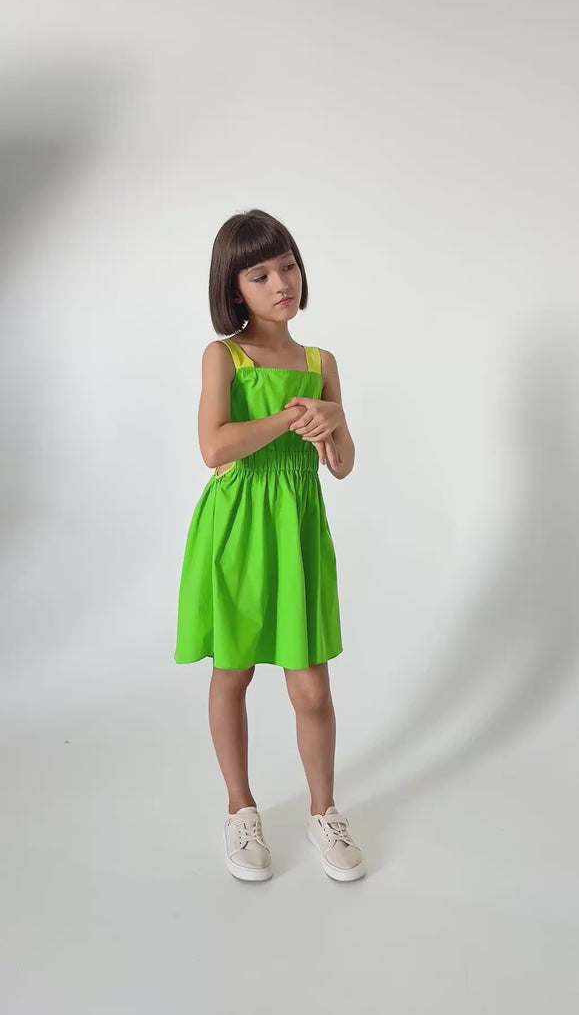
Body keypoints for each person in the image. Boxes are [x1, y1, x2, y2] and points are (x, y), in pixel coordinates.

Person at [174, 208, 366, 883]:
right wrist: (290, 418)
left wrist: (332, 420)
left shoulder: (320, 362)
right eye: (259, 274)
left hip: (297, 530)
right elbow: (214, 447)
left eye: (287, 266)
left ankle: (324, 811)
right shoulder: (223, 356)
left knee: (311, 687)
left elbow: (341, 465)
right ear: (234, 288)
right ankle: (240, 809)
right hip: (237, 529)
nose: (281, 282)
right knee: (234, 671)